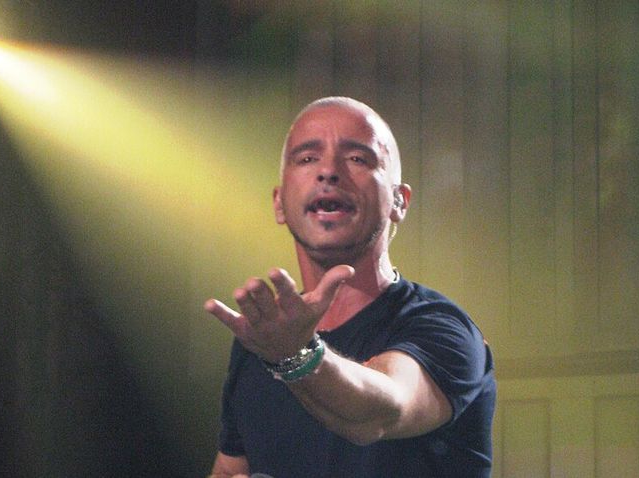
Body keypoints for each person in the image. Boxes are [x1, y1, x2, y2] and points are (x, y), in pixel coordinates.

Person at [204, 97, 495, 478]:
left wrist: (295, 356)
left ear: (399, 201)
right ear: (279, 203)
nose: (328, 171)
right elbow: (230, 469)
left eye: (358, 158)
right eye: (307, 158)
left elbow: (378, 414)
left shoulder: (443, 329)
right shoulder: (263, 341)